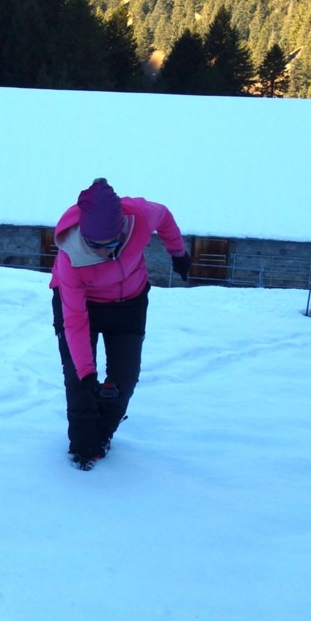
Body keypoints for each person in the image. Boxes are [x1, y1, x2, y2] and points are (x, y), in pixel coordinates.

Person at [49, 178, 193, 470]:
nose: (104, 252)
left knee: (123, 379)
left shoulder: (139, 215)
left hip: (129, 302)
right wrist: (87, 373)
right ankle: (83, 448)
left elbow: (164, 216)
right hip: (82, 305)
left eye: (112, 245)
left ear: (122, 230)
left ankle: (103, 435)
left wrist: (178, 252)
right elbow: (75, 320)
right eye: (95, 246)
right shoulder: (70, 257)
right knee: (79, 380)